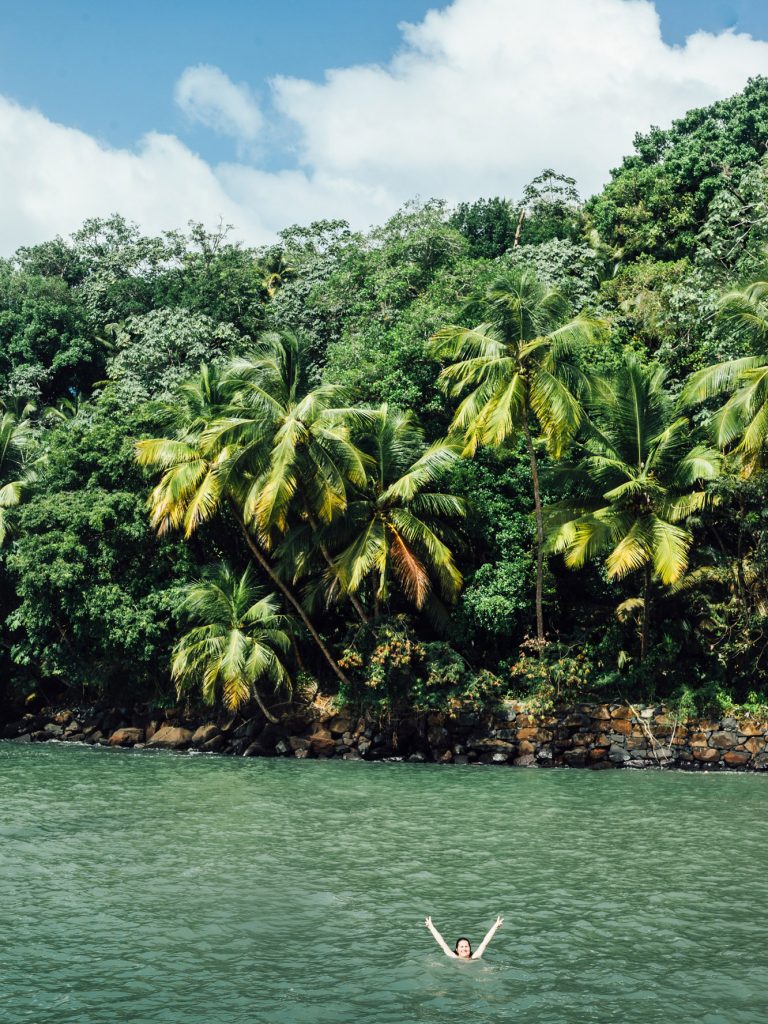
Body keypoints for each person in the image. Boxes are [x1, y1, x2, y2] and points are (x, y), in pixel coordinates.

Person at [424, 915, 503, 960]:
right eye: (461, 946)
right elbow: (442, 943)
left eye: (466, 946)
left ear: (470, 948)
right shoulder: (453, 957)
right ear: (457, 950)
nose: (464, 949)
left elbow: (484, 943)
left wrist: (495, 926)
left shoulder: (474, 957)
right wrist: (431, 927)